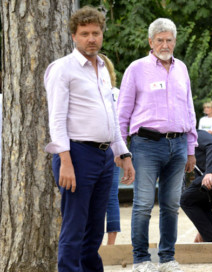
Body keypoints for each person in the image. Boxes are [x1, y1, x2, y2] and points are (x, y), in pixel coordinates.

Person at [44, 6, 135, 272]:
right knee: (74, 228)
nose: (91, 38)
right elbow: (56, 119)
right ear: (74, 36)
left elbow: (112, 118)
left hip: (105, 157)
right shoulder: (62, 69)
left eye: (96, 33)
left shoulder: (103, 69)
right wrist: (65, 160)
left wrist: (124, 154)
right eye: (85, 33)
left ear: (102, 35)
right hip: (76, 155)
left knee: (95, 229)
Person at [117, 18, 197, 272]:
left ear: (175, 41)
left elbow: (190, 110)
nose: (165, 44)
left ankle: (167, 258)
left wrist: (192, 149)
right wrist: (121, 151)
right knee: (142, 204)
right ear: (150, 42)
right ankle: (141, 259)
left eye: (169, 39)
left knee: (172, 205)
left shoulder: (181, 68)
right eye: (160, 39)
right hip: (146, 145)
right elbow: (122, 114)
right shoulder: (137, 69)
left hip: (179, 144)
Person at [99, 53, 122, 245]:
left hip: (109, 147)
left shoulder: (114, 92)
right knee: (110, 196)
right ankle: (109, 243)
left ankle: (109, 242)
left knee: (108, 196)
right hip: (112, 146)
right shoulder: (118, 92)